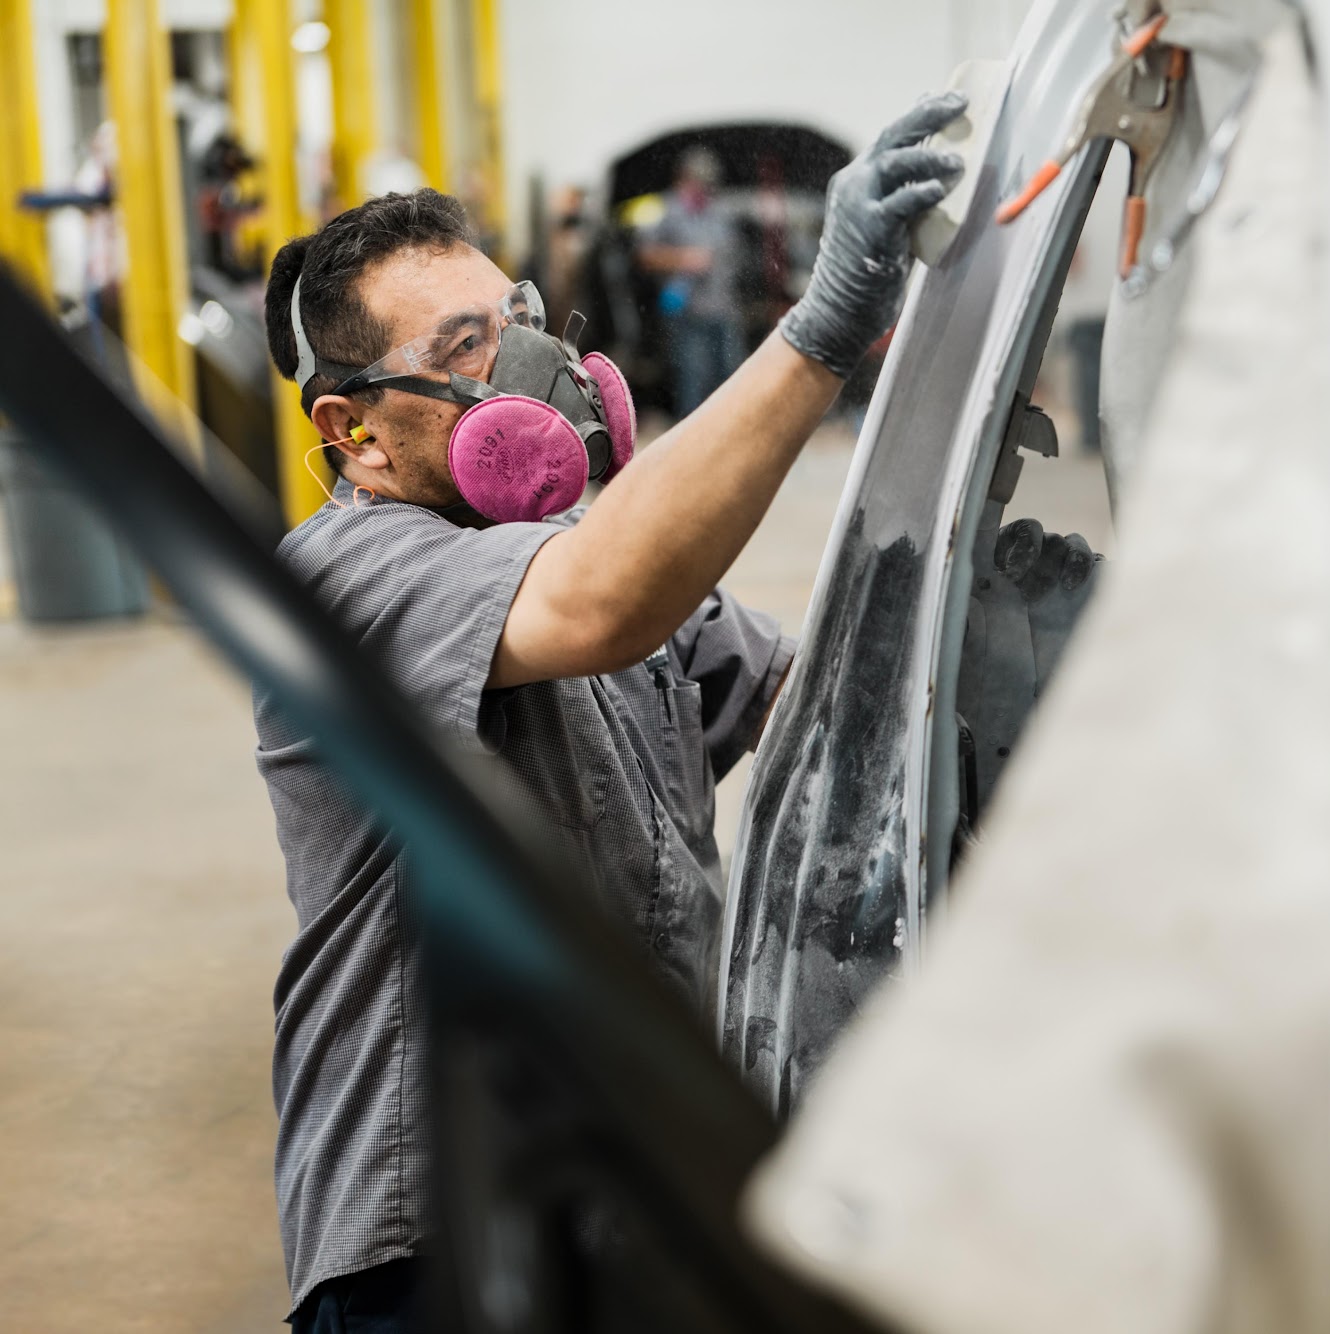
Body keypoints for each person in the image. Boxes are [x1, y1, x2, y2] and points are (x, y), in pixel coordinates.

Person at [252, 93, 965, 1332]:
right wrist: (819, 332)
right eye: (468, 348)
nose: (530, 364)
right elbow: (600, 603)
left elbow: (815, 697)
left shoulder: (582, 539)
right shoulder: (344, 578)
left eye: (523, 318)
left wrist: (960, 619)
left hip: (637, 1188)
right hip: (436, 1240)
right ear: (354, 431)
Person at [638, 147, 745, 416]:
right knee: (692, 378)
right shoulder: (662, 209)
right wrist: (682, 259)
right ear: (682, 178)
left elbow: (733, 255)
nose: (702, 187)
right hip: (687, 312)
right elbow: (644, 255)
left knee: (729, 375)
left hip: (722, 308)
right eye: (696, 180)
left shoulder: (720, 212)